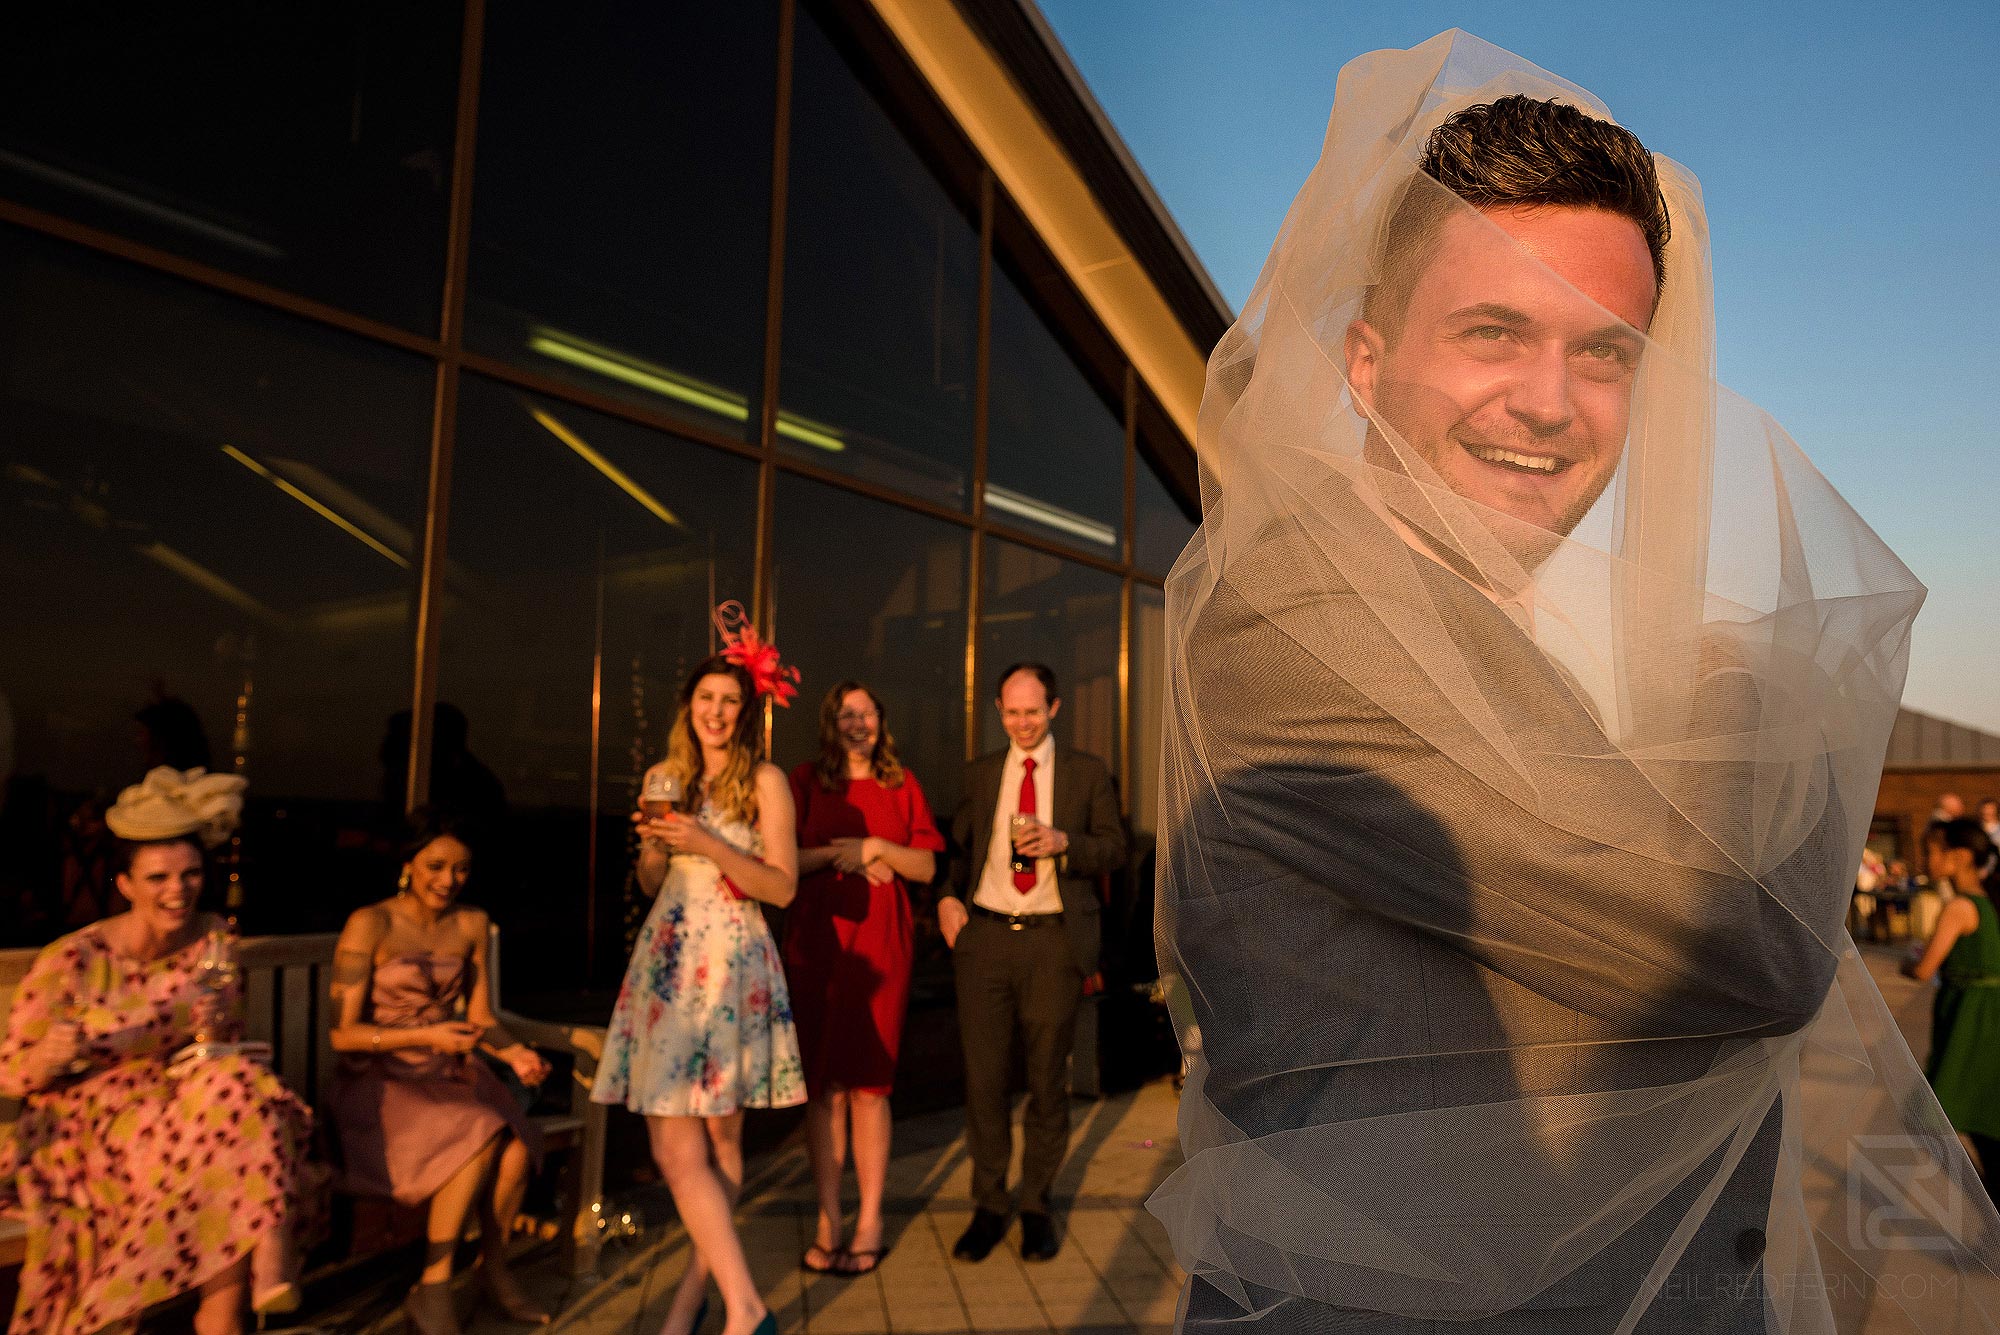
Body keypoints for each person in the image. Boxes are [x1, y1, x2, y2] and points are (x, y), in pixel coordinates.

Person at [1149, 31, 1996, 1332]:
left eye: (1605, 353)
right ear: (1367, 365)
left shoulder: (1529, 611)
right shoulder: (1296, 606)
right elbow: (1753, 941)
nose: (1550, 402)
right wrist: (1766, 675)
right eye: (1495, 330)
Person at [0, 765, 312, 1335]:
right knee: (232, 1143)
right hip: (86, 1120)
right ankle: (245, 1291)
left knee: (235, 1092)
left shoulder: (212, 937)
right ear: (125, 884)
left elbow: (217, 1049)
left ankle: (227, 1309)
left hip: (180, 1105)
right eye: (159, 878)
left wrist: (217, 1029)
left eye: (191, 874)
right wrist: (52, 1053)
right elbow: (12, 1073)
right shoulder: (74, 959)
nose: (178, 891)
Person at [593, 649, 803, 1335]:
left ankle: (691, 1303)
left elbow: (781, 886)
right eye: (705, 697)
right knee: (674, 1146)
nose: (715, 711)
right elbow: (654, 881)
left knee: (721, 1137)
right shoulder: (665, 775)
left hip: (733, 959)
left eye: (729, 701)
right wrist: (656, 848)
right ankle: (744, 1305)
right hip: (668, 961)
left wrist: (706, 841)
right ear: (689, 705)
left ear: (745, 714)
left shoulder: (766, 781)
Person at [326, 808, 554, 1335]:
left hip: (446, 1071)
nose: (448, 880)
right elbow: (343, 1034)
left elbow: (480, 1019)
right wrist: (426, 1036)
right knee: (481, 1132)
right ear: (408, 865)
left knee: (517, 1145)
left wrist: (515, 1052)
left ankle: (491, 1271)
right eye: (435, 866)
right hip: (378, 1077)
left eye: (461, 869)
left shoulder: (472, 923)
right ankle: (433, 1286)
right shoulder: (372, 922)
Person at [940, 662, 1125, 1264]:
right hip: (986, 940)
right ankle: (990, 1204)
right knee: (985, 1083)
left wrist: (1064, 841)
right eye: (1011, 711)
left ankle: (1037, 1204)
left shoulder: (1086, 773)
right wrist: (945, 899)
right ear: (999, 710)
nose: (1021, 722)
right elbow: (958, 851)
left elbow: (1117, 848)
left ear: (1054, 708)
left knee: (1047, 1083)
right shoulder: (979, 773)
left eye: (1032, 710)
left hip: (1052, 942)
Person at [785, 680, 944, 1275]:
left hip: (881, 949)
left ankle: (870, 1217)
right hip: (818, 947)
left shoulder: (901, 785)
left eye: (868, 713)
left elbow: (925, 864)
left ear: (881, 721)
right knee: (823, 1086)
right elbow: (782, 862)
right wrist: (840, 855)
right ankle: (829, 1218)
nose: (859, 723)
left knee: (871, 1086)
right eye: (847, 714)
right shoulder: (804, 781)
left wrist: (876, 845)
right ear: (832, 722)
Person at [1901, 818, 2000, 1199]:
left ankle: (1989, 1203)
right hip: (1981, 1017)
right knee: (1980, 1117)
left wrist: (1906, 964)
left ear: (1958, 857)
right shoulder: (1986, 900)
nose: (1926, 858)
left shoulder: (1959, 906)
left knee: (1931, 1114)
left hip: (1970, 1022)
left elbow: (1924, 969)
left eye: (1931, 850)